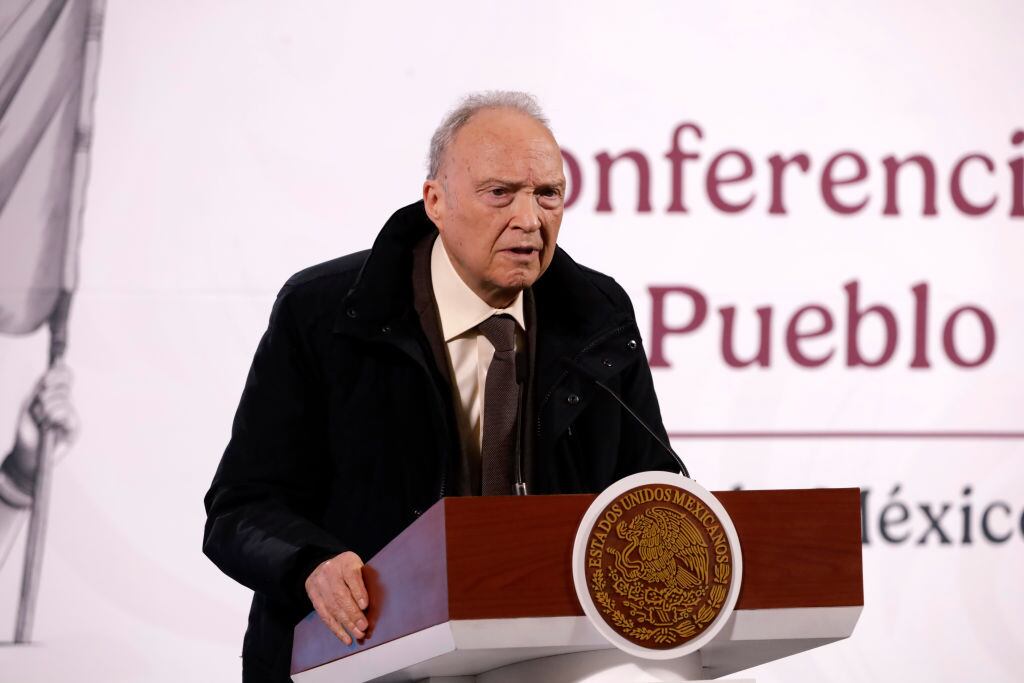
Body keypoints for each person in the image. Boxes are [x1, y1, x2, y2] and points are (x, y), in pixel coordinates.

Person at [203, 91, 677, 682]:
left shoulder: (597, 315)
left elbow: (650, 491)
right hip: (354, 657)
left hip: (536, 663)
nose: (529, 220)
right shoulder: (324, 312)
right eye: (500, 193)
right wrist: (312, 564)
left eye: (548, 194)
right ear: (436, 201)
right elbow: (241, 508)